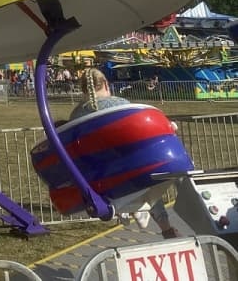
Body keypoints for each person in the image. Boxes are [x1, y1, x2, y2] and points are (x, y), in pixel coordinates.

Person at [69, 69, 179, 238]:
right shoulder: (120, 104)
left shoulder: (76, 115)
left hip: (97, 173)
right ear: (106, 84)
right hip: (127, 166)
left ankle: (132, 208)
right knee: (149, 172)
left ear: (83, 89)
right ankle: (165, 226)